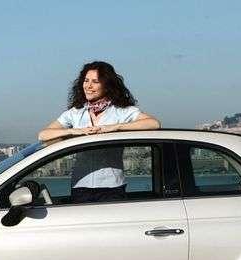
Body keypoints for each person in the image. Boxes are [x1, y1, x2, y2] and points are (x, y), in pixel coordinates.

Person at [38, 61, 161, 202]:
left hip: (112, 186)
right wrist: (75, 132)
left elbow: (154, 123)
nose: (88, 86)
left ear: (107, 85)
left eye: (95, 82)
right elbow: (43, 135)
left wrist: (115, 127)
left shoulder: (121, 111)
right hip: (81, 185)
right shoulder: (76, 113)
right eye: (86, 81)